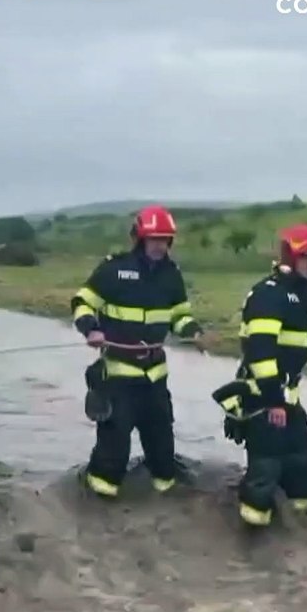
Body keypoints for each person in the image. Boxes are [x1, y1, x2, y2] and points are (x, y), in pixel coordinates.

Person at [214, 222, 307, 527]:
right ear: (291, 257)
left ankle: (300, 524)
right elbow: (261, 351)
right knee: (265, 470)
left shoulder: (297, 295)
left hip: (287, 400)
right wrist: (273, 401)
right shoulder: (270, 294)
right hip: (265, 399)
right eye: (306, 258)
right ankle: (251, 534)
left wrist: (285, 401)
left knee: (301, 468)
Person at [69, 204, 205, 498]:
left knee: (162, 448)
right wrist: (91, 329)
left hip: (155, 376)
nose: (159, 246)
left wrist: (193, 332)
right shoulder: (114, 269)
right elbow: (82, 302)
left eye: (164, 240)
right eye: (154, 239)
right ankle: (97, 500)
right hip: (119, 375)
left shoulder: (172, 275)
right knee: (114, 448)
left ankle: (165, 496)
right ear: (139, 239)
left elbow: (179, 315)